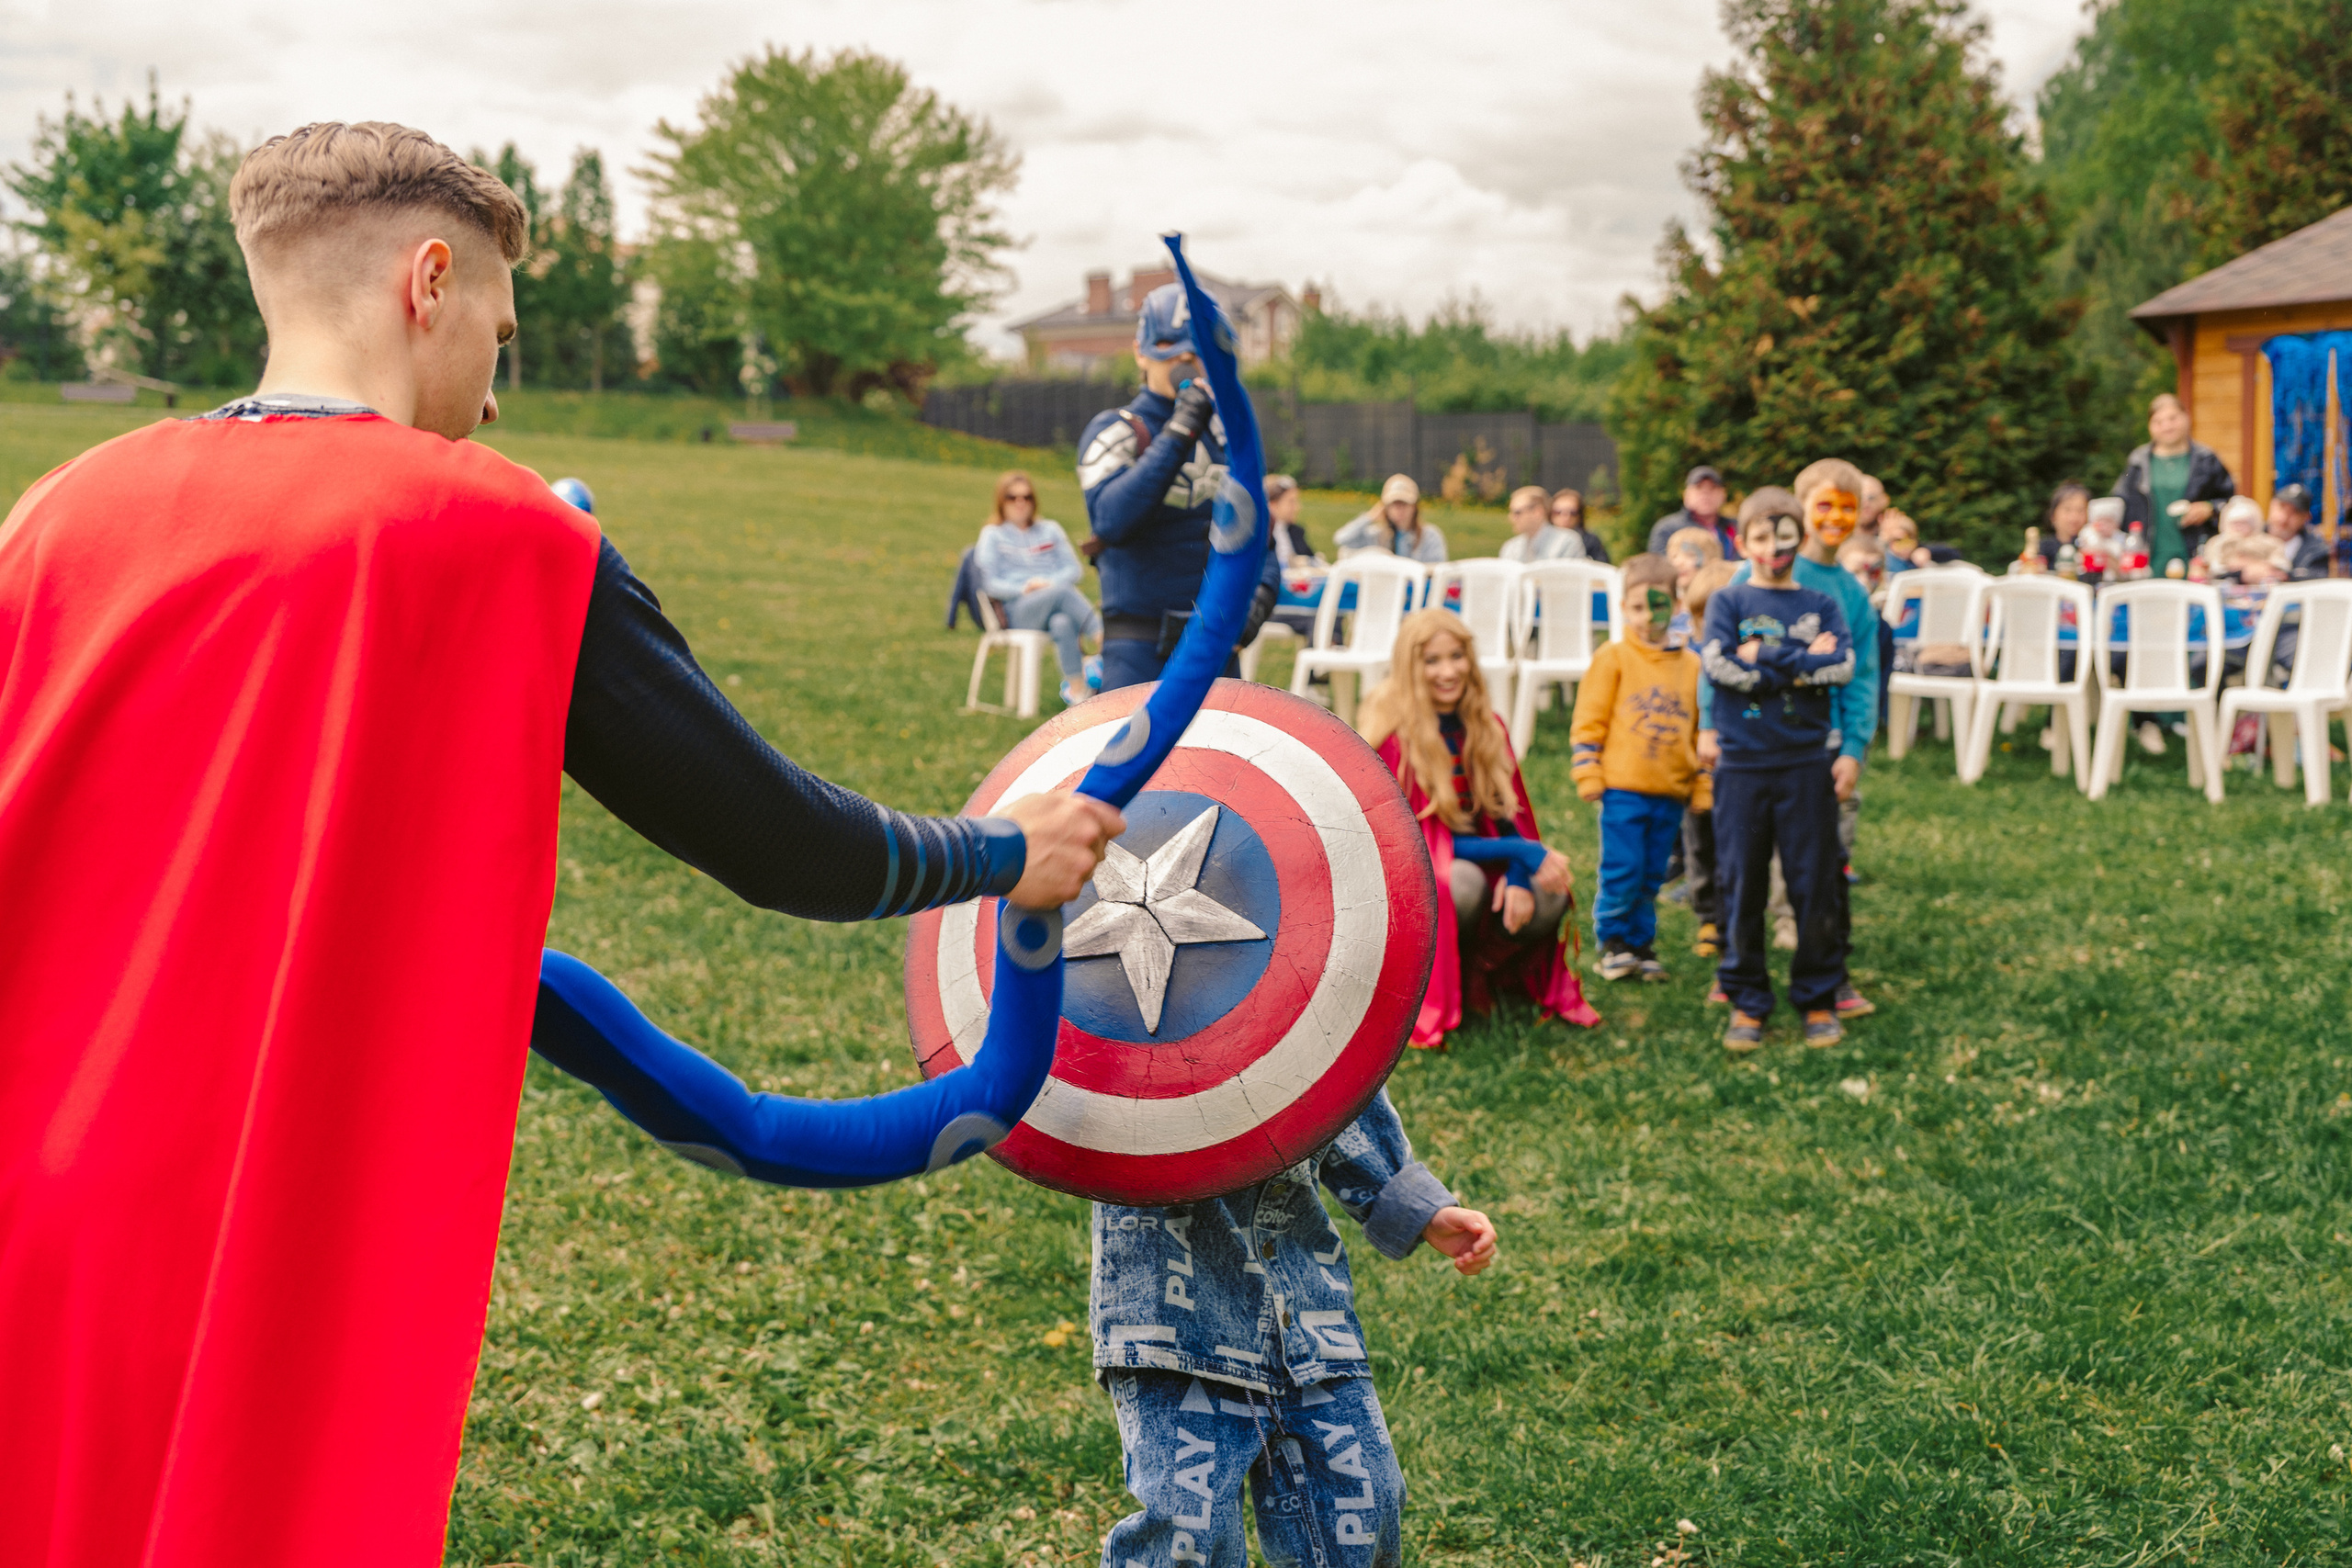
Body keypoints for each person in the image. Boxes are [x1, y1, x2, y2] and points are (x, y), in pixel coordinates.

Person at [0, 121, 1125, 1563]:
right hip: (259, 1211)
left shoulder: (56, 510)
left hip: (37, 1189)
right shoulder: (501, 534)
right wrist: (998, 851)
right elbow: (782, 844)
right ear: (430, 281)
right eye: (501, 329)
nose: (491, 382)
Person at [1092, 1088, 1496, 1568]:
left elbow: (1335, 1072)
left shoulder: (1293, 1015)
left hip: (1307, 1314)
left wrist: (1412, 1204)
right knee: (1184, 1531)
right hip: (1174, 1322)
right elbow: (1057, 1092)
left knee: (1365, 1501)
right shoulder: (1098, 1019)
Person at [1358, 609, 1600, 1046]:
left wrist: (1520, 870)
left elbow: (1511, 816)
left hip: (1480, 855)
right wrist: (1519, 851)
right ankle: (1432, 986)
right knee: (1460, 884)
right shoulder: (1395, 737)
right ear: (1411, 667)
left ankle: (1479, 977)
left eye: (1457, 656)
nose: (1448, 671)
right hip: (1420, 880)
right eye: (1432, 661)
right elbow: (1418, 847)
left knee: (1550, 889)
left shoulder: (1486, 725)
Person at [1705, 468, 1879, 1001]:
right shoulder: (1740, 588)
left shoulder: (1845, 596)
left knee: (1823, 868)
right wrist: (1709, 724)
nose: (1835, 519)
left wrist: (1853, 747)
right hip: (1745, 752)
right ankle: (1738, 978)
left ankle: (1830, 978)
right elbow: (1715, 661)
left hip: (1817, 751)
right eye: (1824, 507)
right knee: (1743, 872)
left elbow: (1857, 672)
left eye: (1847, 507)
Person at [1078, 283, 1282, 692]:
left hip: (1215, 649)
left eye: (1197, 349)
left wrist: (1255, 604)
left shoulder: (1227, 438)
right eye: (1168, 344)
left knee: (1220, 758)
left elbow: (1263, 538)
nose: (1184, 358)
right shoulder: (1116, 430)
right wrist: (1178, 431)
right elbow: (1112, 520)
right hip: (1138, 649)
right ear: (1141, 351)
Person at [1571, 555, 1713, 982]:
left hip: (1671, 791)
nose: (1647, 616)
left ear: (1677, 605)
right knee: (1623, 867)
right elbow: (1589, 719)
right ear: (1622, 609)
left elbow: (1702, 730)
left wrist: (1702, 783)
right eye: (1637, 607)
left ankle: (1641, 943)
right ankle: (1613, 942)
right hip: (1622, 790)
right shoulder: (1612, 658)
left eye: (1658, 605)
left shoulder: (1692, 666)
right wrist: (1588, 770)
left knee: (1652, 873)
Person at [975, 468, 1102, 704]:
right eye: (1012, 497)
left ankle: (1076, 692)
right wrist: (1025, 588)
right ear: (1001, 501)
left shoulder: (1050, 529)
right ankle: (1104, 640)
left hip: (1052, 601)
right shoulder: (992, 535)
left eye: (1027, 497)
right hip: (1017, 610)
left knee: (1061, 621)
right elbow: (989, 583)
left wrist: (1047, 584)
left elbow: (1074, 569)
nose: (1020, 503)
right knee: (1062, 592)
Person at [1676, 560, 1741, 958]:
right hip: (1697, 772)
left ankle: (1736, 916)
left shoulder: (1744, 659)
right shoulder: (1686, 660)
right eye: (1700, 615)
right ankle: (1708, 918)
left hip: (1739, 770)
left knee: (1736, 848)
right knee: (1699, 845)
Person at [2112, 391, 2236, 579]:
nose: (2167, 426)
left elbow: (2231, 502)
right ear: (2150, 427)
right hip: (2147, 560)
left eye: (2173, 418)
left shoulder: (2206, 459)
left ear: (2187, 418)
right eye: (2158, 422)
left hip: (2198, 559)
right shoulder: (2138, 462)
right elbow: (2119, 505)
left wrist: (2209, 508)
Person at [1335, 473, 1448, 563]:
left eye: (1404, 504)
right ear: (1385, 508)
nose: (1399, 510)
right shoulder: (1377, 535)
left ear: (1414, 507)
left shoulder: (1430, 536)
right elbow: (1341, 539)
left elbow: (1436, 572)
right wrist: (1369, 517)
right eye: (1394, 504)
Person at [1646, 463, 1734, 558]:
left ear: (1723, 495)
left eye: (1712, 488)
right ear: (1686, 495)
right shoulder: (1667, 529)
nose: (1705, 494)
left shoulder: (1735, 527)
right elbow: (1660, 566)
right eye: (1698, 488)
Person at [1499, 483, 1585, 562]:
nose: (1511, 518)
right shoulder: (1510, 547)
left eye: (1517, 512)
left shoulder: (1567, 542)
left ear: (1537, 512)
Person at [1267, 472, 1325, 567]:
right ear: (1273, 505)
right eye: (1291, 502)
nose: (1297, 507)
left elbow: (1312, 560)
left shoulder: (1296, 531)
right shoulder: (1263, 535)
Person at [2036, 482, 2091, 574]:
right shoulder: (2043, 546)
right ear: (2053, 515)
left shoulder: (2092, 546)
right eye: (2067, 510)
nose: (2074, 517)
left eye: (2080, 510)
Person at [1550, 487, 1611, 563]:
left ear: (1580, 515)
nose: (1566, 517)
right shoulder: (1543, 539)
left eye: (1573, 513)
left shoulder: (1590, 541)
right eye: (1559, 512)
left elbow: (1602, 566)